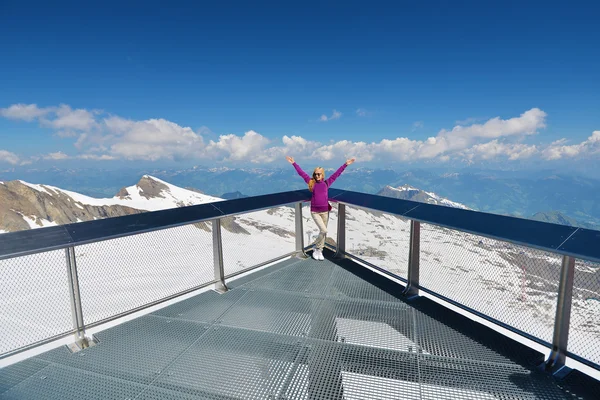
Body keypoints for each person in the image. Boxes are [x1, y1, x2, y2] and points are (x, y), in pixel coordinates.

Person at [286, 156, 356, 260]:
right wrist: (294, 163)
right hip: (315, 212)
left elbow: (336, 174)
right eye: (315, 174)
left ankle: (319, 251)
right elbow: (301, 173)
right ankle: (315, 247)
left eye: (319, 174)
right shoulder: (311, 183)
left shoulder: (326, 183)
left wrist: (345, 164)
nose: (317, 175)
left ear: (322, 175)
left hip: (325, 212)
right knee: (324, 230)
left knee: (323, 232)